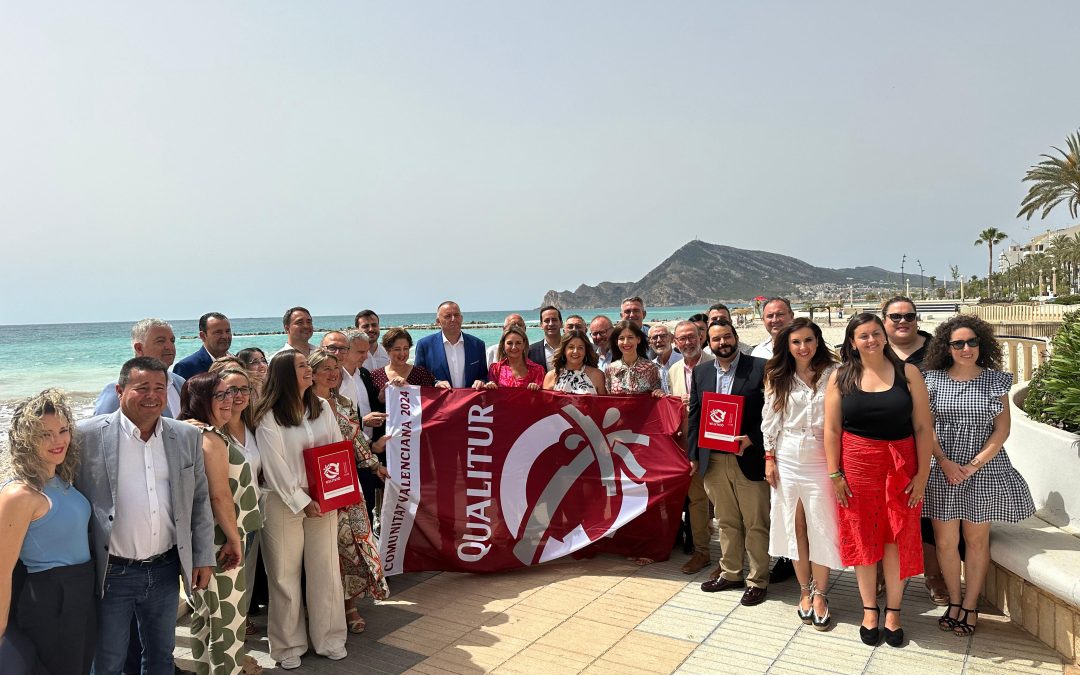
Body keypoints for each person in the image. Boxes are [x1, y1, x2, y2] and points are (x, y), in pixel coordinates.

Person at [76, 356, 215, 674]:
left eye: (159, 387)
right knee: (108, 661)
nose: (152, 395)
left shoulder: (186, 437)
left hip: (165, 571)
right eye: (142, 388)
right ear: (120, 390)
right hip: (112, 574)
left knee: (160, 657)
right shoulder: (86, 437)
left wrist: (202, 556)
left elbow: (198, 501)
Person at [824, 313, 934, 648]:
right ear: (852, 342)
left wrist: (922, 475)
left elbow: (922, 428)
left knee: (895, 538)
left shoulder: (908, 372)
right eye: (863, 336)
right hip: (857, 468)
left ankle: (894, 611)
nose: (871, 340)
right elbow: (831, 430)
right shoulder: (840, 376)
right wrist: (835, 474)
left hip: (901, 467)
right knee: (863, 538)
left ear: (884, 336)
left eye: (875, 334)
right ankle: (870, 609)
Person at [922, 316, 1035, 637]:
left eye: (972, 342)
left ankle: (970, 605)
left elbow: (1002, 430)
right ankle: (954, 601)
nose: (966, 348)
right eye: (958, 343)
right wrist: (944, 461)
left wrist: (972, 465)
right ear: (947, 347)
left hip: (983, 470)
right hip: (943, 470)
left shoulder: (997, 380)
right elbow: (926, 427)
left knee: (975, 540)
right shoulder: (931, 380)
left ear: (981, 344)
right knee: (945, 542)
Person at [253, 350, 348, 669]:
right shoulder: (268, 416)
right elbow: (274, 467)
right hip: (283, 503)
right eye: (302, 366)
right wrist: (302, 502)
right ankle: (288, 645)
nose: (310, 370)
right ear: (284, 374)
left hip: (324, 500)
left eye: (309, 365)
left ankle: (330, 637)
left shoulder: (322, 406)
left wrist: (339, 493)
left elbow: (335, 450)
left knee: (326, 571)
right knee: (283, 575)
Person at [1, 389, 95, 675]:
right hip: (50, 601)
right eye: (45, 434)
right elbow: (2, 571)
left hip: (80, 595)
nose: (58, 440)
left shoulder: (62, 480)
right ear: (25, 440)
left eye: (63, 430)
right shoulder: (20, 493)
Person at [762, 318, 842, 630]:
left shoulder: (833, 374)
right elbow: (770, 420)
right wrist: (769, 458)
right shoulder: (777, 374)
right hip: (787, 457)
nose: (803, 347)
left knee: (821, 525)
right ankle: (804, 591)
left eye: (808, 340)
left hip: (822, 459)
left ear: (818, 341)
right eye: (796, 342)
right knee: (794, 527)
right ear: (788, 346)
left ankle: (821, 593)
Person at [178, 372, 260, 675]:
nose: (230, 401)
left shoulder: (197, 431)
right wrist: (234, 539)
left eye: (231, 394)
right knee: (226, 618)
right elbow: (219, 496)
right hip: (221, 538)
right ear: (201, 400)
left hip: (214, 536)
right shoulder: (209, 438)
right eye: (220, 395)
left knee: (207, 616)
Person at [688, 320, 770, 607]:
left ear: (736, 337)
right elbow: (695, 416)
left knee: (756, 522)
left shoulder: (760, 368)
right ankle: (731, 573)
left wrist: (755, 441)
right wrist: (693, 456)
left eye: (727, 337)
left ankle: (758, 579)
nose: (722, 343)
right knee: (725, 520)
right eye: (716, 339)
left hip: (748, 457)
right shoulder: (701, 372)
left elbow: (772, 414)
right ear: (707, 343)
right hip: (713, 459)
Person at [307, 350, 389, 635]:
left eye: (336, 367)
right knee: (323, 552)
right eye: (326, 368)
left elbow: (356, 442)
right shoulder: (301, 406)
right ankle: (322, 609)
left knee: (352, 547)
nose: (333, 373)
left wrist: (374, 465)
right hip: (315, 488)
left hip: (345, 483)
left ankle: (350, 606)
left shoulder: (344, 403)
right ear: (312, 372)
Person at [881, 295, 948, 605]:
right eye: (895, 317)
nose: (903, 321)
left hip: (934, 441)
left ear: (917, 319)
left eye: (908, 315)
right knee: (886, 515)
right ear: (884, 321)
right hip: (887, 445)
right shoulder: (874, 350)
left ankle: (933, 576)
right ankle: (885, 575)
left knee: (928, 513)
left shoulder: (938, 351)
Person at [748, 297, 797, 583]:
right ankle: (782, 555)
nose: (775, 320)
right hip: (769, 440)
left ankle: (796, 560)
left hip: (801, 441)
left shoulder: (809, 346)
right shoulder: (758, 353)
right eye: (769, 316)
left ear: (791, 315)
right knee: (776, 503)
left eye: (780, 314)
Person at [216, 366, 265, 640]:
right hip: (224, 523)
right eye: (230, 390)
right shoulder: (212, 432)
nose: (238, 395)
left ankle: (240, 631)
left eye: (244, 389)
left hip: (251, 515)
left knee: (245, 581)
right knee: (225, 587)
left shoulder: (253, 425)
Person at [668, 321, 714, 574]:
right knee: (697, 500)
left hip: (715, 442)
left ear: (701, 337)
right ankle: (702, 552)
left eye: (691, 337)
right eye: (682, 339)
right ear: (675, 342)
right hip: (688, 443)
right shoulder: (674, 370)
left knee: (724, 502)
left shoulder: (715, 363)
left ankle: (735, 557)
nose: (687, 342)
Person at [95, 318, 186, 417]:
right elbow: (101, 429)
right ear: (139, 348)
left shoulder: (180, 383)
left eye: (172, 341)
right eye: (160, 341)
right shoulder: (117, 390)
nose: (169, 346)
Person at [414, 300, 487, 388]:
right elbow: (418, 379)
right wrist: (436, 383)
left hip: (470, 400)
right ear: (438, 322)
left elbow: (484, 376)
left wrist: (481, 381)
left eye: (456, 315)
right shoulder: (425, 345)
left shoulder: (478, 345)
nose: (453, 319)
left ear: (461, 318)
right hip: (440, 400)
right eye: (448, 316)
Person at [371, 328, 438, 400]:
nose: (402, 353)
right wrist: (380, 399)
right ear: (387, 350)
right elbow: (368, 406)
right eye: (397, 349)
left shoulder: (421, 373)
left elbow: (430, 401)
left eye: (405, 348)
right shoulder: (375, 376)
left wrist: (409, 389)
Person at [604, 320, 664, 397]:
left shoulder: (651, 368)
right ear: (616, 342)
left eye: (630, 337)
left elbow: (657, 397)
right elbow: (608, 398)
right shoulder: (610, 369)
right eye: (621, 338)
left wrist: (659, 392)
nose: (626, 342)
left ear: (638, 339)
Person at [543, 330, 607, 394]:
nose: (575, 351)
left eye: (580, 348)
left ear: (585, 351)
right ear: (564, 350)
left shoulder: (598, 375)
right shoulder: (550, 376)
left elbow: (603, 403)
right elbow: (544, 402)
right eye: (571, 347)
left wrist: (590, 401)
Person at [174, 312, 233, 379]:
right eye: (218, 332)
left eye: (228, 331)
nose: (225, 336)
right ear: (203, 336)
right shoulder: (186, 367)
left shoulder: (238, 362)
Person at [528, 306, 564, 371]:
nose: (551, 324)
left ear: (561, 323)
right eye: (547, 321)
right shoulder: (531, 351)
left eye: (554, 320)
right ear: (541, 325)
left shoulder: (571, 347)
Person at [648, 324, 680, 393]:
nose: (659, 340)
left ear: (672, 339)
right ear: (649, 342)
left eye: (663, 336)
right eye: (654, 337)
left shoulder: (683, 361)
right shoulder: (651, 367)